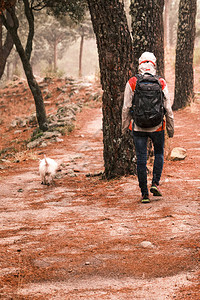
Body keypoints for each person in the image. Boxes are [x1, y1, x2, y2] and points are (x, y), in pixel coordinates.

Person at [122, 52, 174, 203]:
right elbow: (168, 109)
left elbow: (126, 108)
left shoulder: (132, 82)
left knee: (141, 159)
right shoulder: (161, 82)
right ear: (154, 64)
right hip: (158, 127)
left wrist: (124, 127)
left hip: (138, 127)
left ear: (140, 65)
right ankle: (155, 183)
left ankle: (144, 194)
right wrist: (170, 129)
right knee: (159, 154)